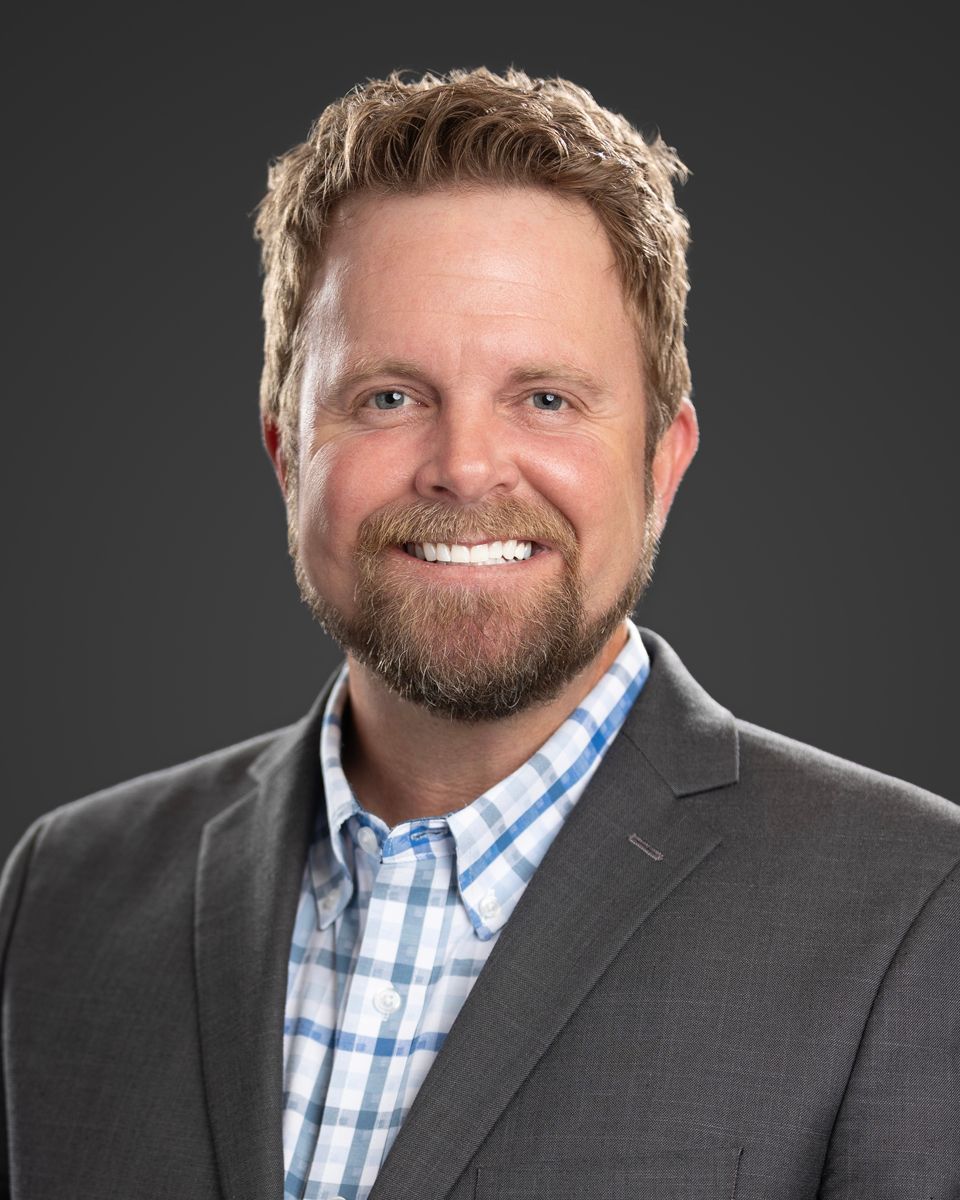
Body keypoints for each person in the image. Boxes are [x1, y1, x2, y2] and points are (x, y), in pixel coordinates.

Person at [1, 67, 957, 1200]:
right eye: (388, 398)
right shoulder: (64, 892)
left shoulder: (915, 908)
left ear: (662, 464)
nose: (463, 467)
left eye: (546, 398)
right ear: (287, 455)